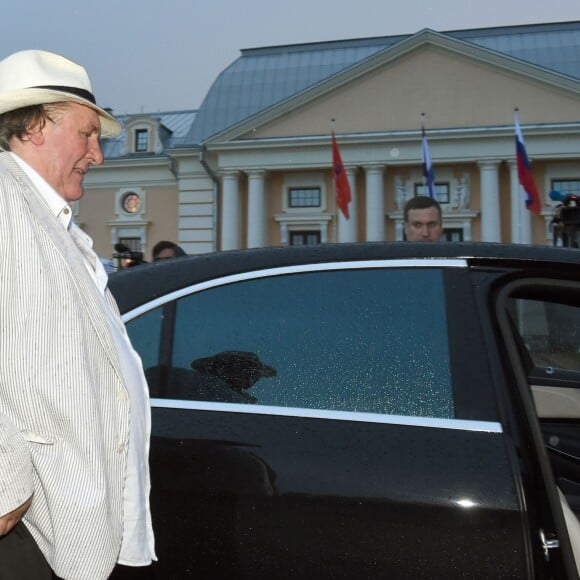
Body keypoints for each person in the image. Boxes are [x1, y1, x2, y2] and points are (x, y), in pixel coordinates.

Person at [0, 50, 155, 579]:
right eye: (87, 135)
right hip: (24, 525)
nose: (98, 155)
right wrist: (4, 486)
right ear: (37, 125)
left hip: (59, 521)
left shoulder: (43, 215)